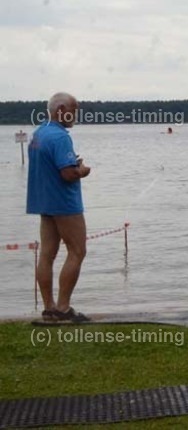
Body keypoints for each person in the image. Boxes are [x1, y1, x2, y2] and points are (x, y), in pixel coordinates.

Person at [27, 92, 92, 323]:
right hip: (64, 204)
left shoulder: (38, 134)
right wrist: (82, 170)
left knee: (47, 254)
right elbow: (67, 174)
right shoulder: (60, 137)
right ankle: (63, 308)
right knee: (77, 251)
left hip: (44, 202)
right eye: (74, 111)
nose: (76, 116)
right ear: (61, 109)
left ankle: (49, 308)